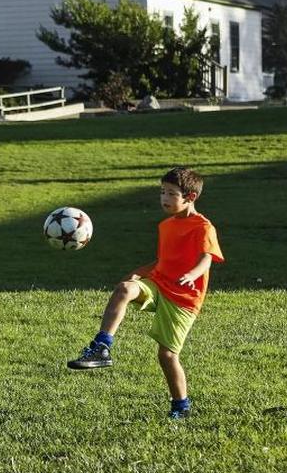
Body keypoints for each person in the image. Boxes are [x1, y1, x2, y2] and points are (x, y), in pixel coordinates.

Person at [66, 167, 224, 419]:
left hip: (183, 298)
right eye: (162, 192)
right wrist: (138, 272)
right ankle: (102, 347)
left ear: (190, 197)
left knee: (167, 355)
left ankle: (181, 407)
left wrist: (192, 275)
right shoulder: (166, 225)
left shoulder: (203, 227)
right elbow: (163, 261)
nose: (164, 198)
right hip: (159, 284)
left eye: (171, 193)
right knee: (124, 289)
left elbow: (207, 259)